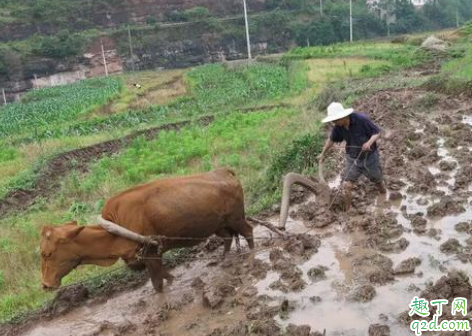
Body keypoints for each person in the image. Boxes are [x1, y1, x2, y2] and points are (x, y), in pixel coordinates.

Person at [317, 102, 386, 211]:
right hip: (353, 159)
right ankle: (347, 212)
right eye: (333, 120)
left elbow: (377, 132)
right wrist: (323, 153)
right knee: (346, 187)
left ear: (343, 116)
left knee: (377, 180)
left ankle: (383, 193)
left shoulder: (361, 120)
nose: (334, 122)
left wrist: (369, 143)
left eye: (335, 120)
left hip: (370, 157)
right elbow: (331, 140)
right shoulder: (338, 127)